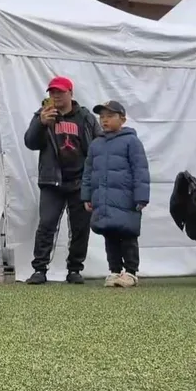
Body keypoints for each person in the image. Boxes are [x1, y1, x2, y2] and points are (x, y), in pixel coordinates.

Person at [24, 76, 101, 285]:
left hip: (80, 181)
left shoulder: (85, 117)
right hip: (52, 181)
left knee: (80, 227)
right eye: (52, 92)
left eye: (60, 92)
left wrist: (93, 179)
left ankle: (74, 269)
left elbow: (98, 146)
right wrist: (41, 124)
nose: (56, 96)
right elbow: (30, 142)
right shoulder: (42, 114)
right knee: (46, 225)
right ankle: (39, 269)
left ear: (71, 93)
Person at [82, 101, 150, 288]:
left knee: (128, 235)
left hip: (126, 200)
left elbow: (141, 170)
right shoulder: (96, 144)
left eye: (110, 116)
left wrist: (141, 196)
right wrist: (86, 196)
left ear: (123, 119)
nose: (105, 120)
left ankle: (131, 272)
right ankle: (114, 270)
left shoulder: (132, 142)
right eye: (102, 117)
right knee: (109, 235)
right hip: (103, 201)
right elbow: (88, 172)